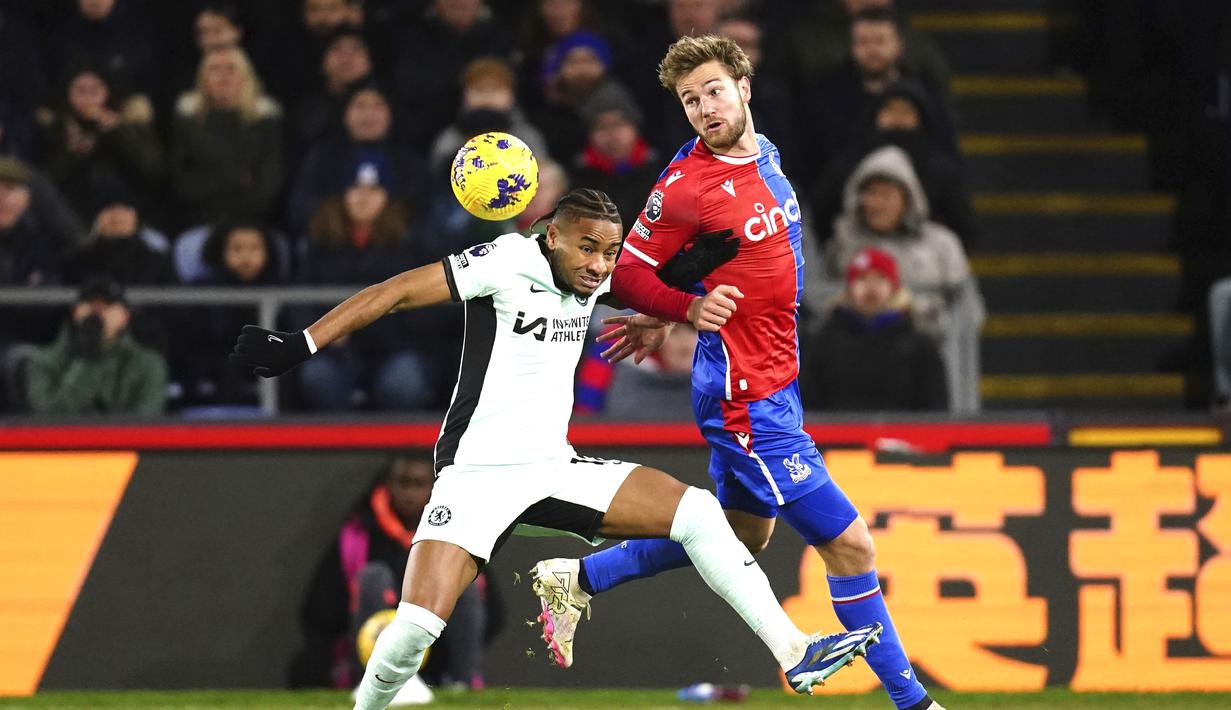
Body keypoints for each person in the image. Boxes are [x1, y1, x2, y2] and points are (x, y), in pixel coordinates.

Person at [230, 188, 882, 710]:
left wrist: (695, 264)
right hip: (474, 478)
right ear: (552, 236)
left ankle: (794, 651)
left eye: (608, 251)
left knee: (700, 514)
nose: (599, 265)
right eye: (588, 248)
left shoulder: (594, 273)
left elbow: (645, 278)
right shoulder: (505, 261)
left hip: (552, 470)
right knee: (414, 631)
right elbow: (396, 291)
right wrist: (302, 344)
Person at [530, 37, 944, 710]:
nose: (703, 109)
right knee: (850, 546)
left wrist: (674, 305)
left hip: (775, 379)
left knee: (741, 533)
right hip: (745, 396)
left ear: (743, 88)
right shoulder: (687, 183)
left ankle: (577, 578)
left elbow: (718, 256)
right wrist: (682, 308)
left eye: (713, 91)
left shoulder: (767, 154)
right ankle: (914, 704)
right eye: (690, 100)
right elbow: (628, 271)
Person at [299, 454, 495, 697]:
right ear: (388, 485)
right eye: (403, 483)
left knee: (461, 584)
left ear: (434, 488)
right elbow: (324, 609)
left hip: (439, 653)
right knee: (373, 577)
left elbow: (491, 611)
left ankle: (461, 685)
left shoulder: (458, 532)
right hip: (373, 648)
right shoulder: (358, 534)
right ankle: (374, 684)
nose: (409, 494)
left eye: (419, 484)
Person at [295, 161, 441, 412]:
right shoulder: (320, 244)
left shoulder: (412, 244)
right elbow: (300, 301)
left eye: (373, 190)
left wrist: (376, 327)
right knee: (317, 376)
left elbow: (429, 308)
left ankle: (399, 448)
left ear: (388, 197)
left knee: (403, 382)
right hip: (335, 352)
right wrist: (326, 332)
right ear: (342, 196)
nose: (363, 198)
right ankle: (337, 448)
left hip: (398, 349)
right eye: (355, 189)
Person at [823, 145, 980, 343]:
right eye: (871, 193)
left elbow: (967, 312)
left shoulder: (943, 245)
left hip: (929, 358)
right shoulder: (842, 244)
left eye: (887, 195)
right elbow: (823, 304)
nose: (878, 204)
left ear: (908, 199)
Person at [810, 79, 975, 249]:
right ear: (876, 115)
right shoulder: (848, 163)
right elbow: (821, 215)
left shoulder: (941, 169)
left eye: (906, 111)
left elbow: (963, 227)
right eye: (890, 110)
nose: (898, 118)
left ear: (921, 118)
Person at [800, 247, 948, 411]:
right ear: (849, 289)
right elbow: (808, 408)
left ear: (894, 289)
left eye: (880, 279)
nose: (871, 288)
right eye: (862, 279)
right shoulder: (821, 344)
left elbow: (936, 413)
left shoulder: (921, 348)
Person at [171, 46, 284, 228]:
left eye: (231, 69)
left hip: (255, 222)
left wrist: (216, 179)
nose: (223, 76)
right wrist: (240, 180)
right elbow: (182, 180)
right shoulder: (188, 121)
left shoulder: (266, 121)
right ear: (203, 79)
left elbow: (269, 181)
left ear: (246, 78)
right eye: (214, 69)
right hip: (201, 219)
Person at [25, 278, 168, 416]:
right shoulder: (44, 361)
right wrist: (88, 359)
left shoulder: (148, 363)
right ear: (75, 312)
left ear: (125, 316)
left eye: (108, 305)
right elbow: (50, 419)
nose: (98, 312)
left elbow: (146, 421)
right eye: (91, 304)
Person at [427, 56, 549, 175]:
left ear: (511, 95)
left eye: (496, 89)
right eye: (479, 89)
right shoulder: (450, 138)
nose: (487, 97)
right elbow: (436, 180)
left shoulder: (527, 137)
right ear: (464, 95)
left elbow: (541, 177)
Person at [567, 88, 659, 228]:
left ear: (635, 128)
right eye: (601, 127)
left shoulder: (661, 174)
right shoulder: (577, 184)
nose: (612, 135)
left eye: (619, 124)